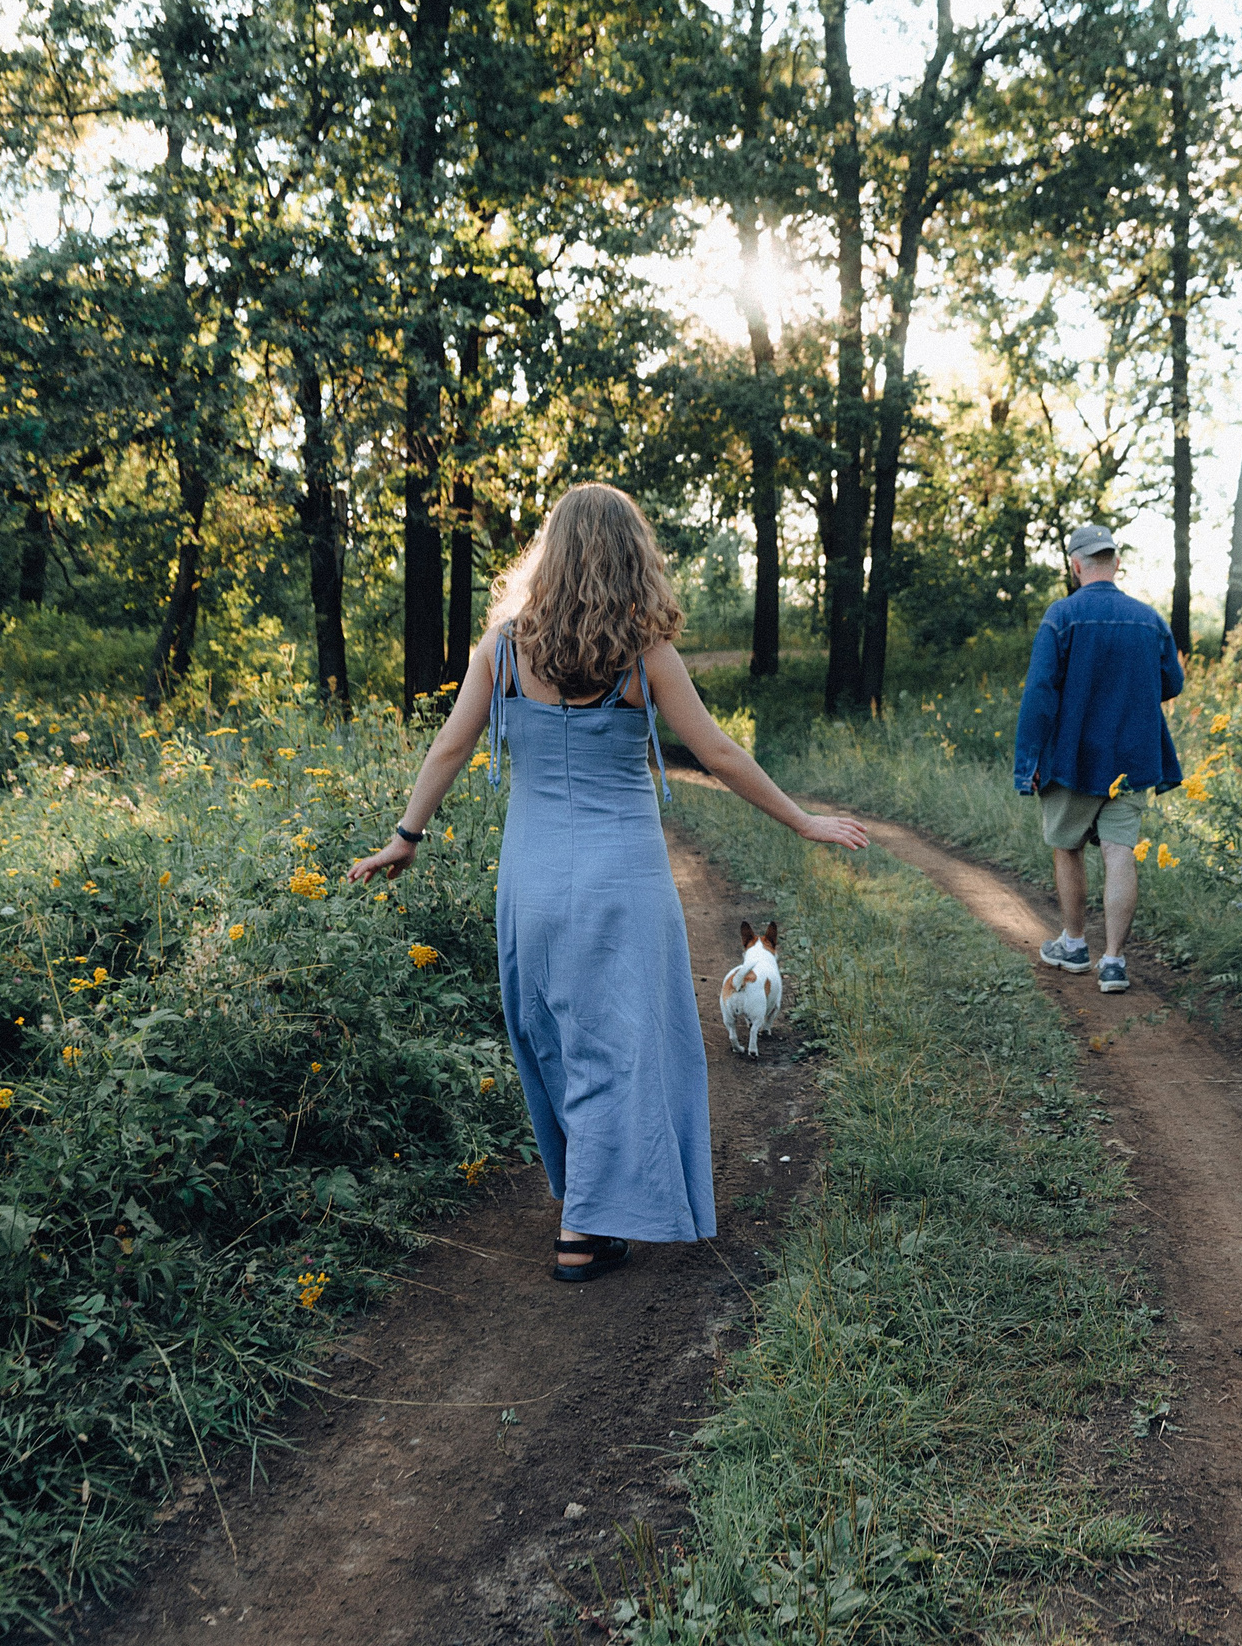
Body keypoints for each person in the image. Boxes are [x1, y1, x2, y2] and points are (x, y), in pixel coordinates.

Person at [348, 484, 866, 1283]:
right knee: (622, 1046)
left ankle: (588, 1205)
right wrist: (802, 821)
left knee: (555, 1040)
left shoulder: (503, 650)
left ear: (549, 556)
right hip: (622, 878)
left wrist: (403, 837)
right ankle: (585, 1226)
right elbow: (719, 754)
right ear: (634, 557)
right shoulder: (643, 655)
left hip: (531, 881)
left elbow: (449, 747)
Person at [1011, 523, 1184, 994]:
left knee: (1067, 846)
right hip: (1132, 759)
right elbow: (1173, 683)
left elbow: (1040, 693)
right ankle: (1113, 962)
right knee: (1119, 852)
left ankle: (1073, 943)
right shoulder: (1149, 619)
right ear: (1117, 561)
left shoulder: (1061, 616)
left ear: (1075, 565)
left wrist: (1027, 763)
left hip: (1072, 759)